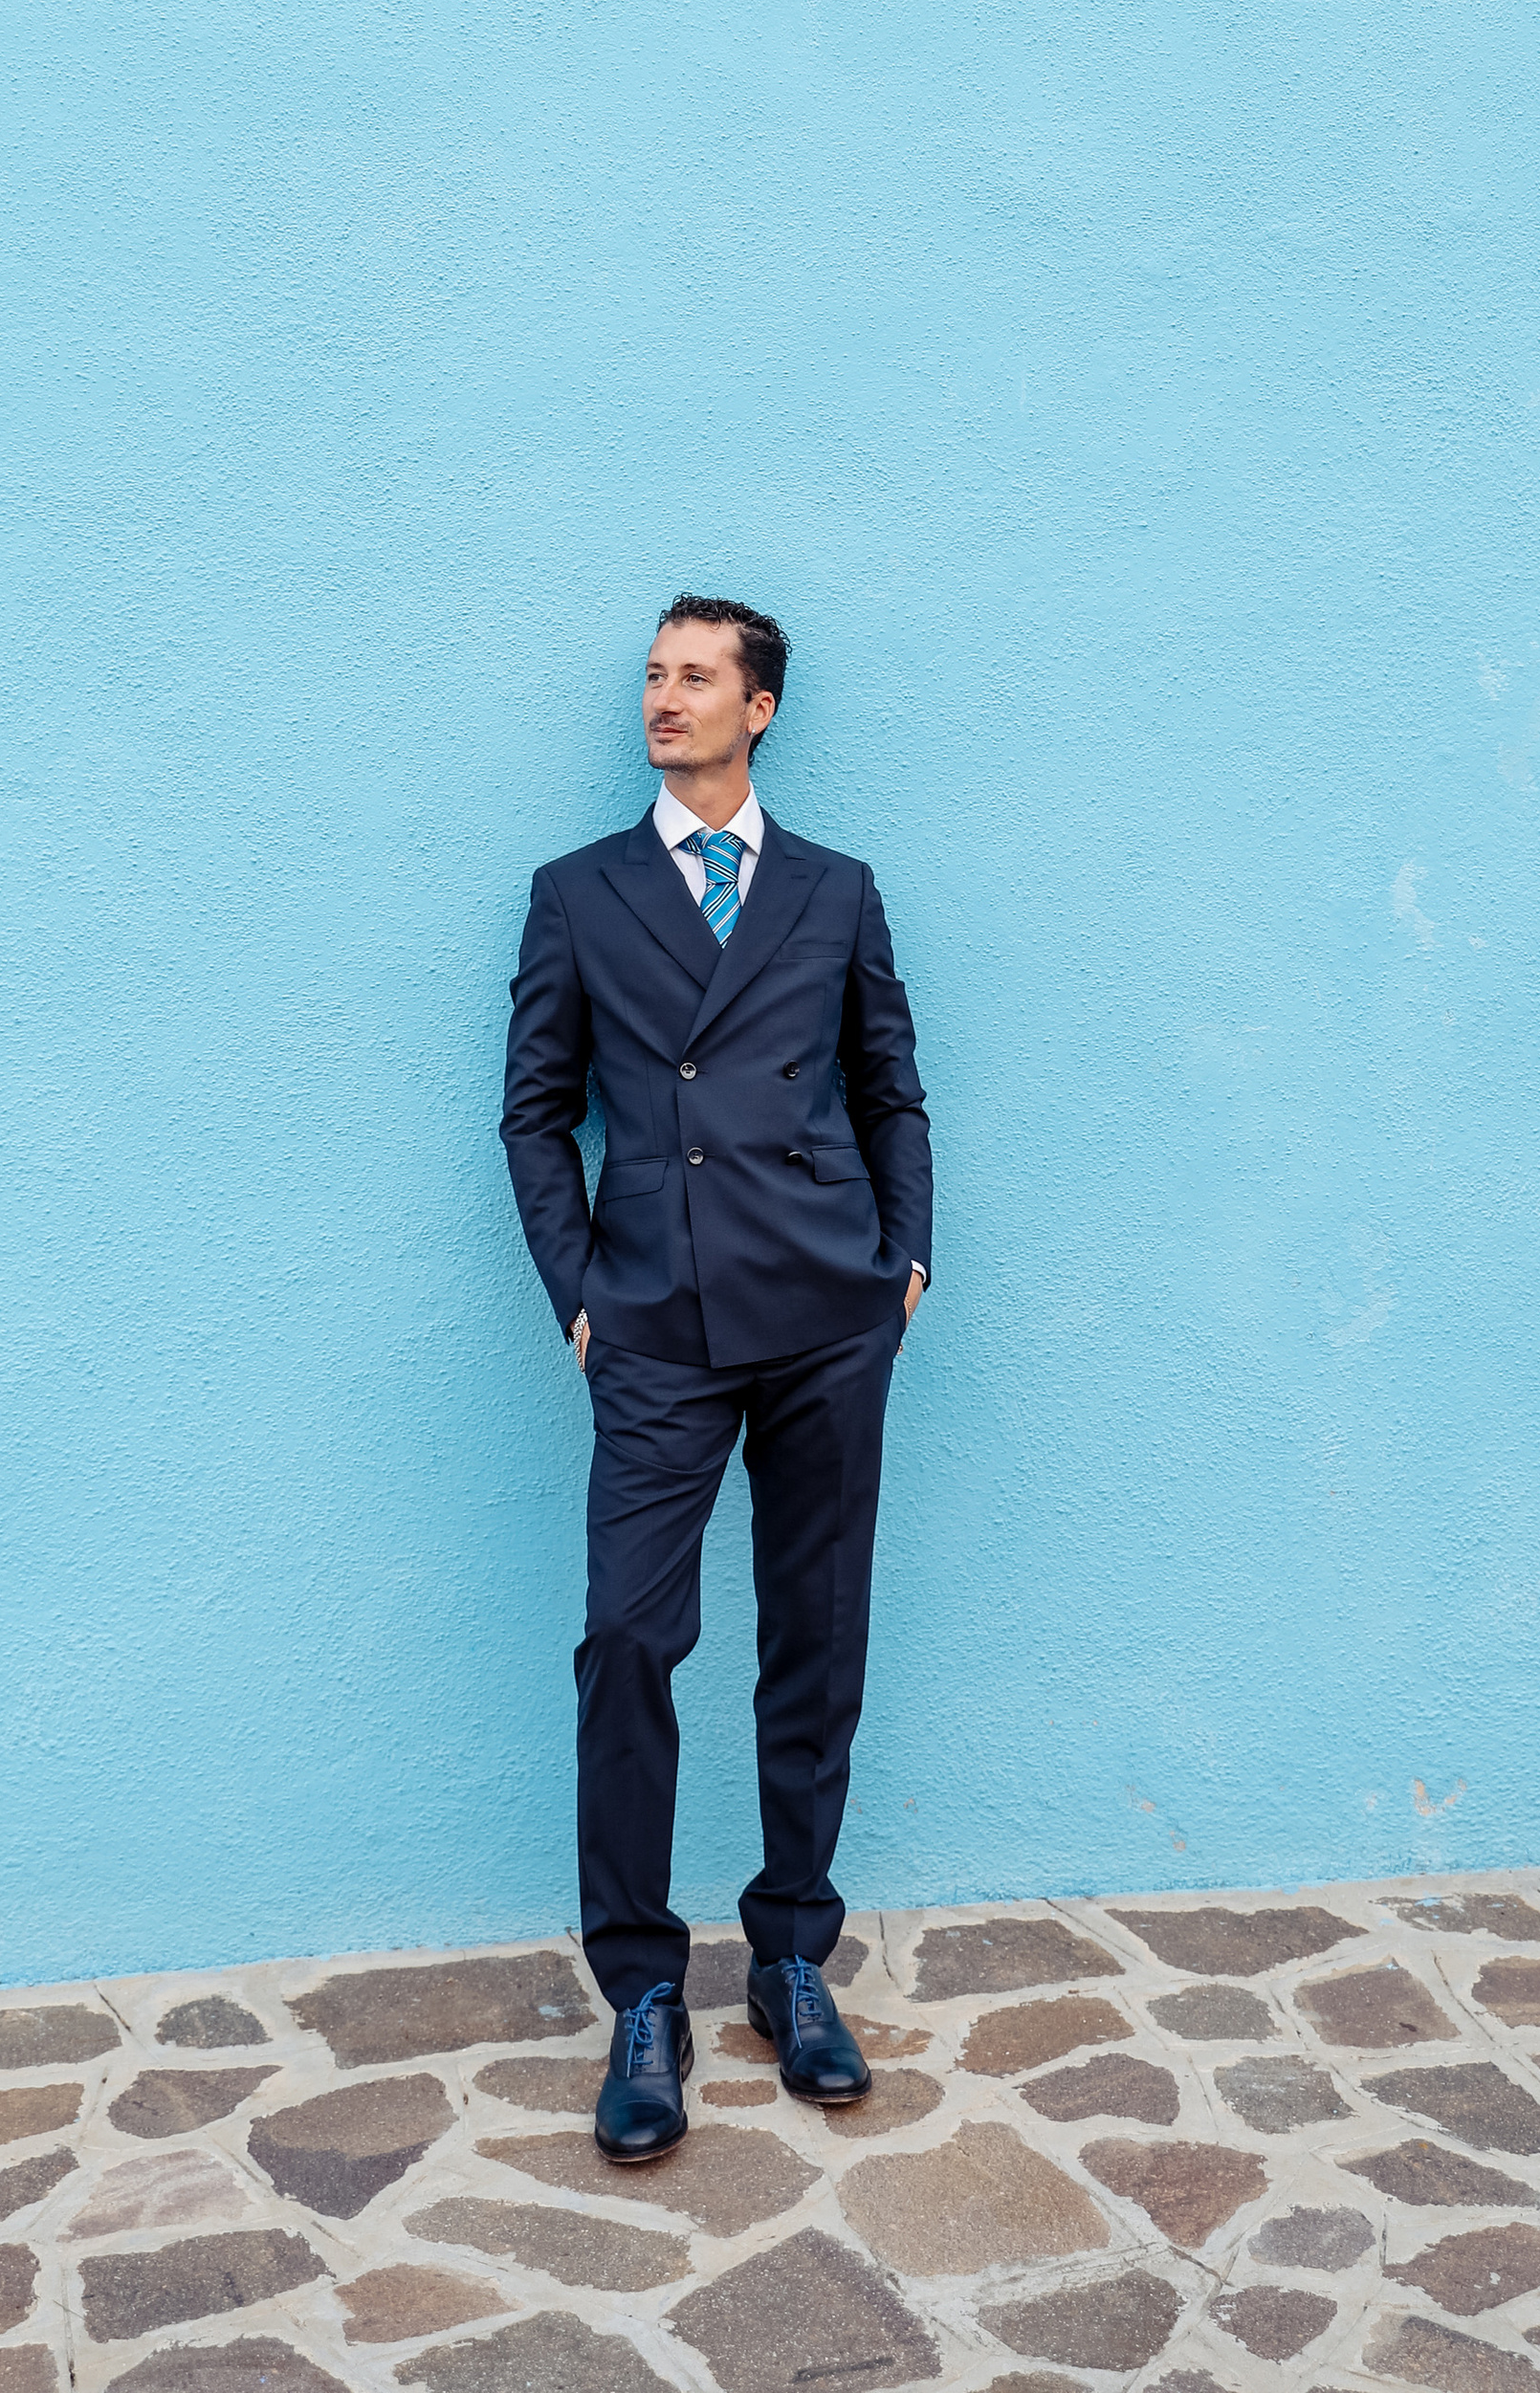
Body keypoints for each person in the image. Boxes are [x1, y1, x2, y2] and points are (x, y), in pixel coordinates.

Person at [501, 596, 934, 2162]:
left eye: (696, 678)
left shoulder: (835, 891)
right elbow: (534, 1116)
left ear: (760, 710)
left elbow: (893, 1087)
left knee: (815, 1639)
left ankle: (795, 1959)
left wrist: (906, 1262)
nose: (662, 697)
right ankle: (641, 1992)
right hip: (659, 1325)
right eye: (653, 674)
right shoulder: (580, 893)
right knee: (628, 1637)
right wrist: (579, 1295)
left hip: (826, 1312)